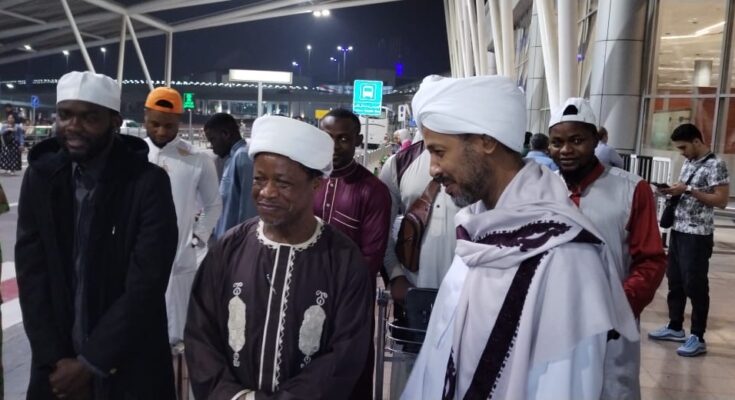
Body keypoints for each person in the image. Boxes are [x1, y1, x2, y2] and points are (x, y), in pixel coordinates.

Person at [401, 75, 638, 400]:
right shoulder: (477, 233)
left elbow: (565, 388)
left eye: (439, 151)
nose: (433, 168)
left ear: (486, 141)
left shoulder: (566, 257)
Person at [185, 115, 373, 399]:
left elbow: (344, 354)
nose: (267, 193)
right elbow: (201, 335)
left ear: (315, 184)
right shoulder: (228, 249)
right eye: (259, 179)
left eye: (283, 183)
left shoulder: (343, 260)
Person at [15, 71, 178, 399]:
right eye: (65, 115)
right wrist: (55, 362)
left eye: (89, 117)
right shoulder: (41, 179)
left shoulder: (146, 183)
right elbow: (32, 276)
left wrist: (91, 364)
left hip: (129, 364)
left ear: (114, 122)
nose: (73, 126)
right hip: (57, 371)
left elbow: (146, 283)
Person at [548, 97, 667, 398]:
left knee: (611, 389)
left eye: (576, 140)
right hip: (553, 322)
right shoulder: (542, 188)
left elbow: (650, 261)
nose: (565, 150)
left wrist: (618, 308)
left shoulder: (631, 189)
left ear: (596, 139)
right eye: (557, 142)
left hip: (611, 326)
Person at [379, 120, 462, 399]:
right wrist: (395, 276)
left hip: (466, 292)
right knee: (410, 373)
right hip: (414, 289)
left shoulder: (472, 159)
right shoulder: (399, 163)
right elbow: (382, 230)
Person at [314, 108, 391, 399]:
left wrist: (335, 292)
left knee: (351, 376)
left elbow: (372, 257)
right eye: (327, 137)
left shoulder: (373, 190)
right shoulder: (307, 181)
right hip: (306, 298)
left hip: (351, 306)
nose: (334, 146)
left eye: (343, 139)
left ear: (358, 140)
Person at [142, 87, 222, 345]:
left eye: (169, 125)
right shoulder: (133, 155)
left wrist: (197, 238)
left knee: (176, 336)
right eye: (155, 124)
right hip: (136, 257)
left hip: (179, 258)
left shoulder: (197, 159)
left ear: (179, 120)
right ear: (145, 116)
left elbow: (214, 205)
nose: (161, 132)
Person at [649, 123, 730, 357]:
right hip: (679, 229)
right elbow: (684, 189)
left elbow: (721, 200)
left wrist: (689, 190)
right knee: (675, 280)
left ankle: (697, 335)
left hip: (698, 234)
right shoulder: (689, 162)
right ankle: (675, 326)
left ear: (696, 141)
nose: (681, 152)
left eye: (683, 147)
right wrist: (671, 190)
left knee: (695, 284)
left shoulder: (716, 164)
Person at [204, 113, 257, 239]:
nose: (212, 147)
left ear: (225, 134)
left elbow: (248, 209)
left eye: (212, 140)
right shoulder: (231, 158)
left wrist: (242, 243)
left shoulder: (243, 157)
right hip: (224, 241)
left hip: (235, 242)